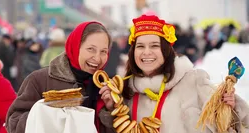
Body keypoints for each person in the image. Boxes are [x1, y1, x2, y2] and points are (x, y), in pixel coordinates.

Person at [101, 14, 249, 132]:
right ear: (133, 52)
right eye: (140, 46)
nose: (146, 52)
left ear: (165, 51)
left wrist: (232, 108)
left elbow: (231, 125)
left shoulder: (194, 81)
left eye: (154, 46)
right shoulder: (126, 92)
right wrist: (111, 109)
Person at [6, 21, 115, 133]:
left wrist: (110, 111)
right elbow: (13, 123)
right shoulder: (39, 80)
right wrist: (47, 115)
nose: (97, 58)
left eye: (103, 51)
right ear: (76, 46)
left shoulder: (106, 89)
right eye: (91, 49)